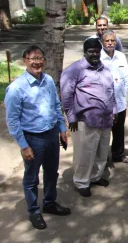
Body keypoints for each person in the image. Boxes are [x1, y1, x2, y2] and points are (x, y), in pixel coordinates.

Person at [5, 45, 71, 230]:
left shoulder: (48, 80)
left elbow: (56, 106)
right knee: (32, 178)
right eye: (32, 58)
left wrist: (62, 129)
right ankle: (34, 211)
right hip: (32, 139)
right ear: (25, 61)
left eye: (40, 58)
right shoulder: (16, 88)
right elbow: (12, 121)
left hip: (51, 135)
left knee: (52, 172)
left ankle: (49, 203)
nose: (37, 62)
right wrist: (24, 145)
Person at [61, 38, 116, 197]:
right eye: (91, 51)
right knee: (84, 153)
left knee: (101, 152)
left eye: (97, 51)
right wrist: (71, 117)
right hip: (84, 121)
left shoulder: (104, 69)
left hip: (105, 120)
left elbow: (111, 91)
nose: (94, 54)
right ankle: (81, 181)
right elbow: (66, 95)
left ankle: (95, 177)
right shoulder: (74, 70)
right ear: (84, 52)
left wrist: (114, 111)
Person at [100, 30, 128, 163]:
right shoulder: (99, 57)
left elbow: (126, 76)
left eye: (112, 41)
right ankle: (102, 158)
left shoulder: (121, 56)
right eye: (107, 41)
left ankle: (118, 154)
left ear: (116, 42)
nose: (110, 43)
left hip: (120, 101)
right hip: (104, 102)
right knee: (103, 132)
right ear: (102, 42)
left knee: (119, 130)